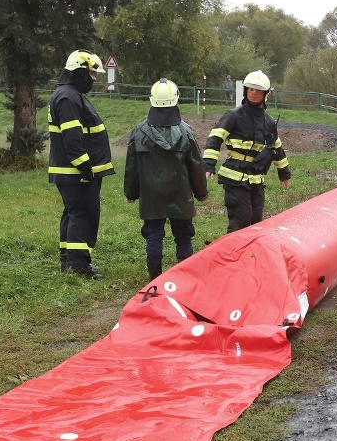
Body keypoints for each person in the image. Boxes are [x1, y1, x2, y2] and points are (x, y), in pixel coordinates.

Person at [124, 78, 209, 280]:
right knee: (183, 236)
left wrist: (131, 192)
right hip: (181, 195)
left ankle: (155, 280)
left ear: (152, 100)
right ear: (176, 99)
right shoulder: (186, 131)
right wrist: (201, 193)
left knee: (153, 236)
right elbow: (196, 166)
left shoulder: (139, 132)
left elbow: (132, 166)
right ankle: (185, 280)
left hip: (151, 196)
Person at [48, 49, 115, 280]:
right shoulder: (68, 97)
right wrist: (85, 167)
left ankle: (69, 262)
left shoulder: (70, 94)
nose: (93, 79)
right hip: (76, 172)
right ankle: (78, 266)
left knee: (74, 214)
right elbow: (72, 138)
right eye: (91, 74)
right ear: (78, 71)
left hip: (73, 172)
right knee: (83, 215)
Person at [203, 70, 291, 233]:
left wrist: (284, 173)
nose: (253, 93)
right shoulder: (234, 116)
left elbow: (276, 148)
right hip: (234, 177)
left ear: (265, 94)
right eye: (250, 89)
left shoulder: (269, 121)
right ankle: (233, 252)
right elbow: (215, 138)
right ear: (245, 91)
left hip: (256, 178)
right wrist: (208, 165)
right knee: (241, 217)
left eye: (257, 90)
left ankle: (251, 255)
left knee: (256, 219)